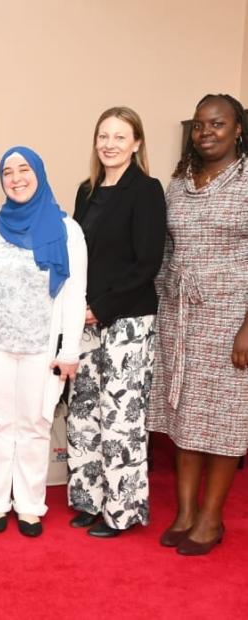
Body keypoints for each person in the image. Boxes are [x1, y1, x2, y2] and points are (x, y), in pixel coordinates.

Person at [147, 94, 248, 555]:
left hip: (231, 316)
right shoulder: (179, 182)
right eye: (200, 125)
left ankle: (211, 519)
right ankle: (185, 512)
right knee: (184, 415)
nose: (206, 132)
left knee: (224, 419)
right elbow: (167, 252)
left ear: (238, 129)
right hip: (179, 314)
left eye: (218, 124)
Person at [0, 146, 87, 537]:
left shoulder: (67, 230)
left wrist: (69, 350)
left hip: (42, 348)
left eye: (24, 169)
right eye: (8, 171)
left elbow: (74, 295)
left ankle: (30, 506)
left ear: (39, 172)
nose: (17, 178)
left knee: (36, 425)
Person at [66, 107, 166, 537]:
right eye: (103, 136)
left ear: (137, 143)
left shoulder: (146, 190)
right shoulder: (86, 191)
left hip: (127, 320)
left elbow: (147, 262)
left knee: (121, 419)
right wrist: (78, 306)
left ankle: (121, 512)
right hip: (85, 320)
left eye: (120, 137)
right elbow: (76, 257)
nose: (109, 144)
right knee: (84, 413)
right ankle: (89, 500)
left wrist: (101, 307)